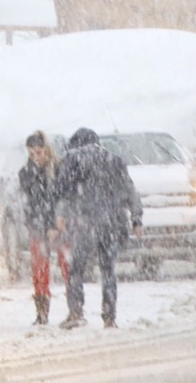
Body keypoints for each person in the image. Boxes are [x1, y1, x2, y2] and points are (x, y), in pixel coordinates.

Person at [53, 127, 141, 329]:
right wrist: (136, 218)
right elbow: (130, 190)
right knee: (108, 271)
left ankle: (76, 312)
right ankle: (109, 317)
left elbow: (63, 192)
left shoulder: (72, 158)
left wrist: (60, 215)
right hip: (111, 224)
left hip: (84, 223)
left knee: (76, 269)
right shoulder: (114, 160)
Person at [16, 131, 62, 325]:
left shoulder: (57, 169)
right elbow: (30, 201)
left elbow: (59, 199)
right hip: (37, 225)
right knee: (39, 270)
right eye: (31, 153)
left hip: (58, 225)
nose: (35, 157)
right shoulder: (26, 172)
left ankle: (75, 310)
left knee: (67, 267)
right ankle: (42, 312)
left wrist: (54, 223)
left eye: (39, 152)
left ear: (47, 150)